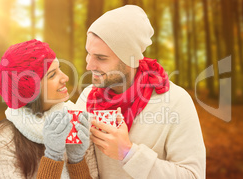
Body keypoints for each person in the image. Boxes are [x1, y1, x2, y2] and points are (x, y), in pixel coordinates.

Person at [76, 5, 206, 178]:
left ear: (129, 59)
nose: (89, 65)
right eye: (89, 54)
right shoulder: (87, 98)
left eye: (101, 58)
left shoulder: (176, 102)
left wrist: (129, 154)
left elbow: (194, 176)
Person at [0, 39, 98, 178]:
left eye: (59, 68)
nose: (65, 77)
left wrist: (77, 160)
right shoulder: (3, 140)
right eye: (52, 75)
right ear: (31, 90)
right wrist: (52, 156)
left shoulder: (75, 121)